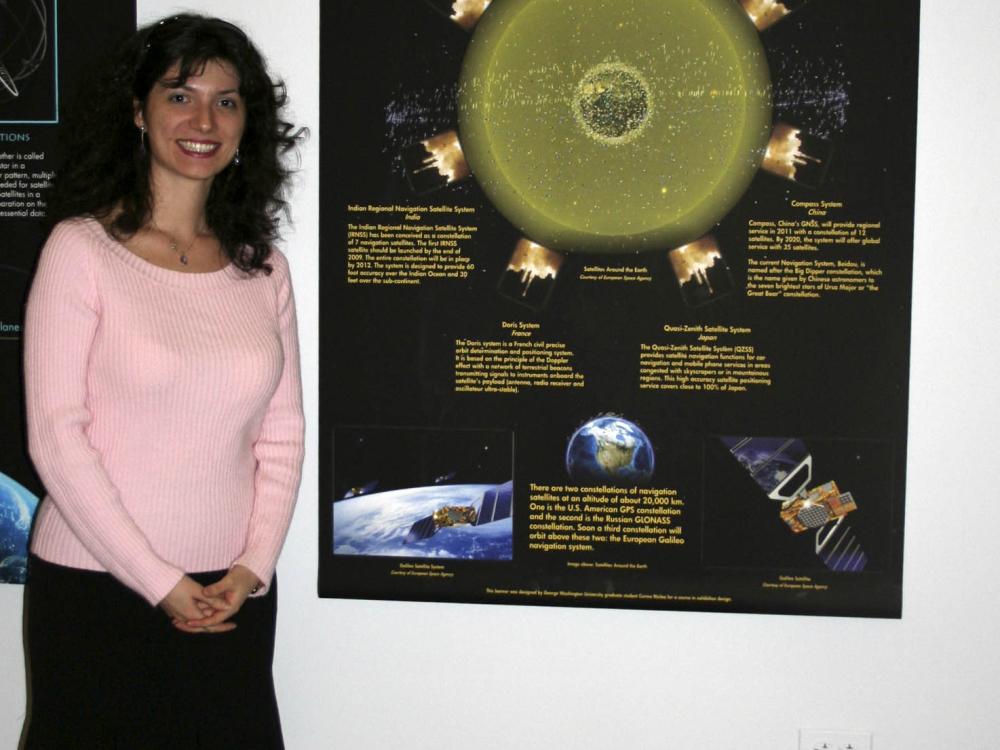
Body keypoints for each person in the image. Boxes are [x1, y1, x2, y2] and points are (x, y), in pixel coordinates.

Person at [20, 14, 304, 749]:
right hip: (99, 589)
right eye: (180, 94)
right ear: (138, 112)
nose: (204, 118)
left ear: (248, 125)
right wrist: (158, 580)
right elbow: (56, 436)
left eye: (227, 100)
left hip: (230, 593)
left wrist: (250, 570)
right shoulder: (80, 250)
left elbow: (283, 435)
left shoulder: (263, 266)